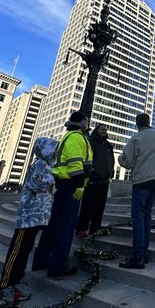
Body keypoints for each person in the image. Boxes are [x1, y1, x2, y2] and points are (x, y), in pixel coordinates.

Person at [0, 138, 58, 304]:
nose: (56, 153)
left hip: (36, 218)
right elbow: (36, 183)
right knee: (17, 251)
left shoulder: (47, 165)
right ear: (46, 150)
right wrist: (54, 180)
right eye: (53, 149)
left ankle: (14, 283)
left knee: (25, 250)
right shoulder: (40, 164)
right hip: (28, 218)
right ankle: (2, 288)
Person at [32, 111, 93, 278]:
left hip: (64, 184)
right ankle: (58, 266)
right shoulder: (76, 137)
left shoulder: (69, 136)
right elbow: (75, 162)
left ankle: (41, 260)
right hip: (71, 186)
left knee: (54, 225)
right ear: (82, 121)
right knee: (65, 227)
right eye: (86, 119)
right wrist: (80, 182)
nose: (88, 122)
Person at [118, 113, 155, 268]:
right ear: (149, 122)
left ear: (137, 124)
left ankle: (138, 256)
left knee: (138, 216)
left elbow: (128, 162)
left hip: (142, 180)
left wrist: (120, 159)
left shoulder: (136, 138)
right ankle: (144, 253)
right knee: (147, 215)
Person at [76, 123, 115, 238]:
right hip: (92, 180)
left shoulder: (108, 144)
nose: (104, 131)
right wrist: (90, 172)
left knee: (100, 207)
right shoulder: (90, 141)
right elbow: (86, 157)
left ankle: (95, 228)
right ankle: (81, 229)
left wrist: (110, 172)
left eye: (105, 130)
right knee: (87, 206)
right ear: (97, 130)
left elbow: (111, 159)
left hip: (104, 180)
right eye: (102, 129)